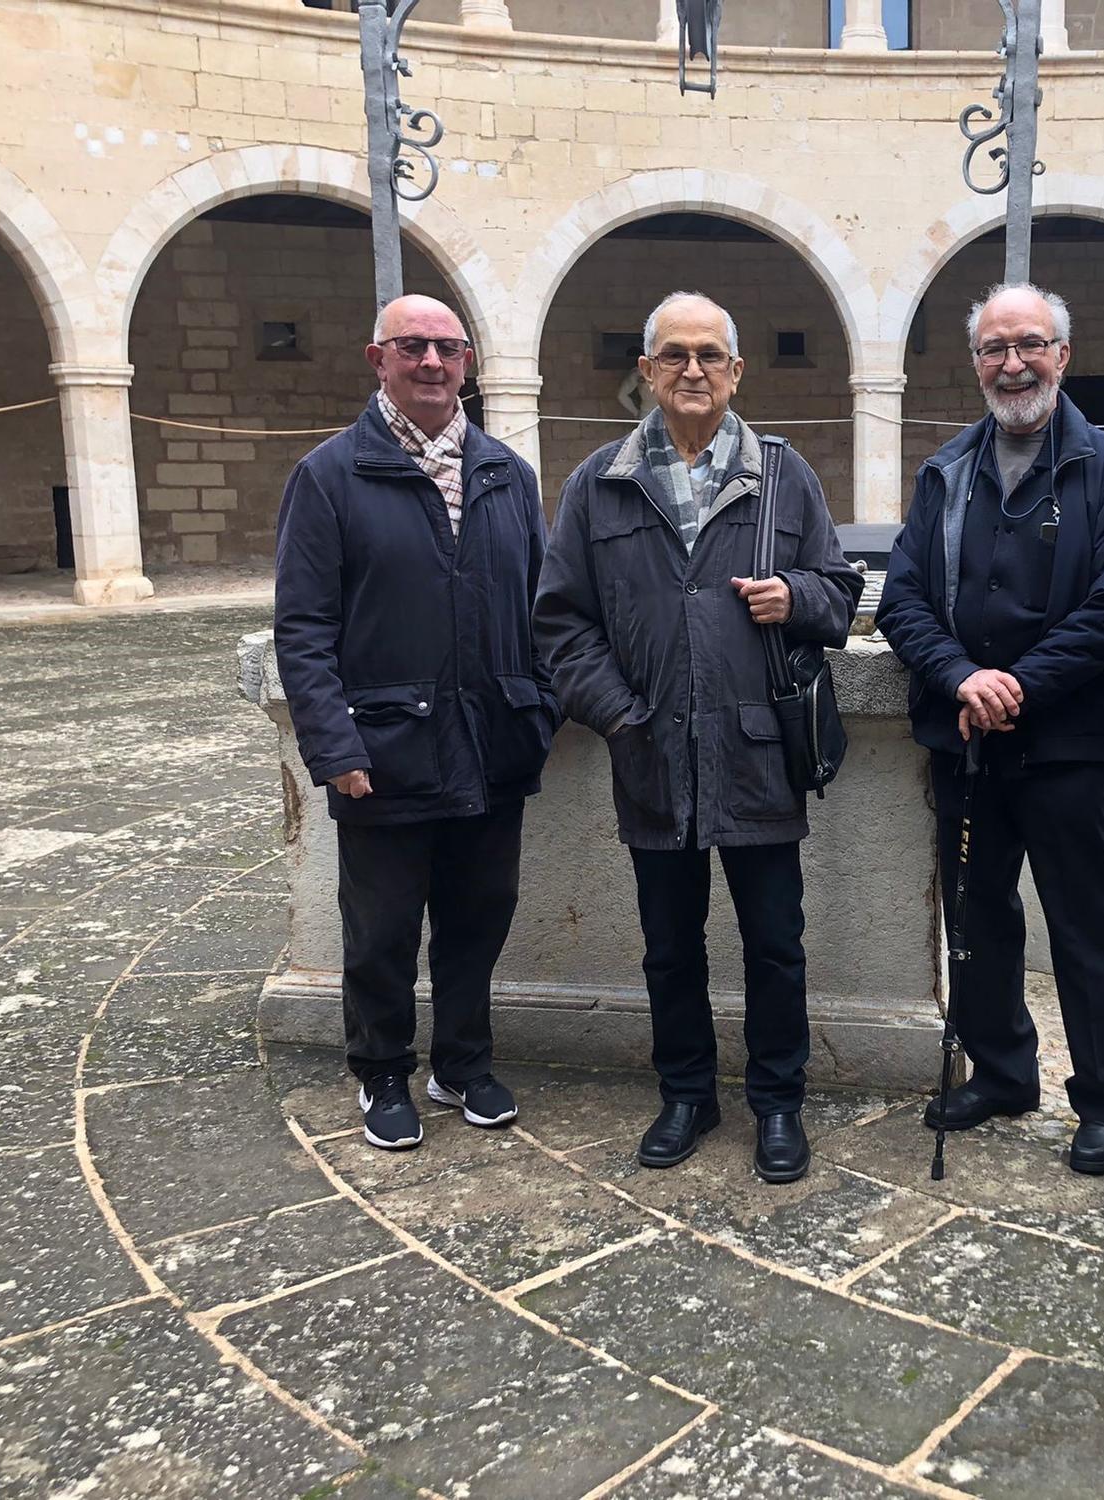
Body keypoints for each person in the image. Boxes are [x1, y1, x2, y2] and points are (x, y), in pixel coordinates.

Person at [534, 291, 861, 1184]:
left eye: (710, 355)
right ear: (646, 371)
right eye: (674, 355)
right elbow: (561, 625)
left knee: (775, 943)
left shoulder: (786, 475)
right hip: (650, 753)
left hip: (757, 752)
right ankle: (685, 1093)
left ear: (736, 371)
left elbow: (842, 593)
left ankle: (778, 1104)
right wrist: (621, 714)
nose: (692, 370)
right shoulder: (596, 482)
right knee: (670, 945)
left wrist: (796, 598)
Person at [876, 282, 1104, 1176]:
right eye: (995, 349)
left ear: (1062, 355)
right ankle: (1002, 1072)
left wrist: (1018, 686)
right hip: (965, 738)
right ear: (976, 365)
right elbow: (904, 598)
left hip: (1070, 741)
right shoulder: (945, 471)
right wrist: (961, 675)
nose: (1013, 363)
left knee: (1088, 924)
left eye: (1030, 344)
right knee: (978, 917)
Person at [274, 294, 558, 1151]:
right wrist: (334, 746)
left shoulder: (508, 473)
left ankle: (463, 1062)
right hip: (383, 753)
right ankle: (384, 1072)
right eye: (413, 347)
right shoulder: (330, 475)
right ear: (379, 359)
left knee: (481, 916)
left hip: (490, 747)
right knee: (384, 929)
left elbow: (544, 609)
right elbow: (305, 628)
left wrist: (537, 712)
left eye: (448, 348)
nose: (432, 363)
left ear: (468, 361)